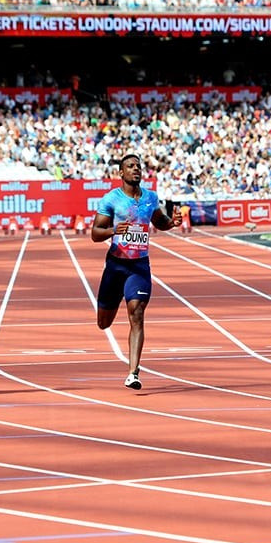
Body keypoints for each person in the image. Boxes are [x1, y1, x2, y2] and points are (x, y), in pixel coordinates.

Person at [91, 154, 182, 390]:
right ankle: (111, 309)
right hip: (115, 265)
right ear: (120, 173)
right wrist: (113, 230)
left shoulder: (150, 198)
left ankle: (133, 372)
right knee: (103, 322)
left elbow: (159, 221)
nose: (136, 169)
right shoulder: (111, 199)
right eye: (130, 166)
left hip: (139, 265)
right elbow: (95, 233)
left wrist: (172, 222)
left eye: (138, 166)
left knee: (137, 312)